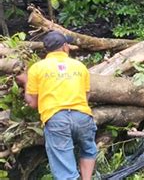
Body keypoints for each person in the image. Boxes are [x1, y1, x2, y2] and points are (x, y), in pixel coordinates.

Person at [24, 31, 97, 180]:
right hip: (82, 115)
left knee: (64, 168)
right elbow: (86, 96)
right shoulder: (79, 66)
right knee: (88, 150)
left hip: (56, 118)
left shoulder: (37, 68)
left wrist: (25, 82)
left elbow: (32, 103)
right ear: (65, 47)